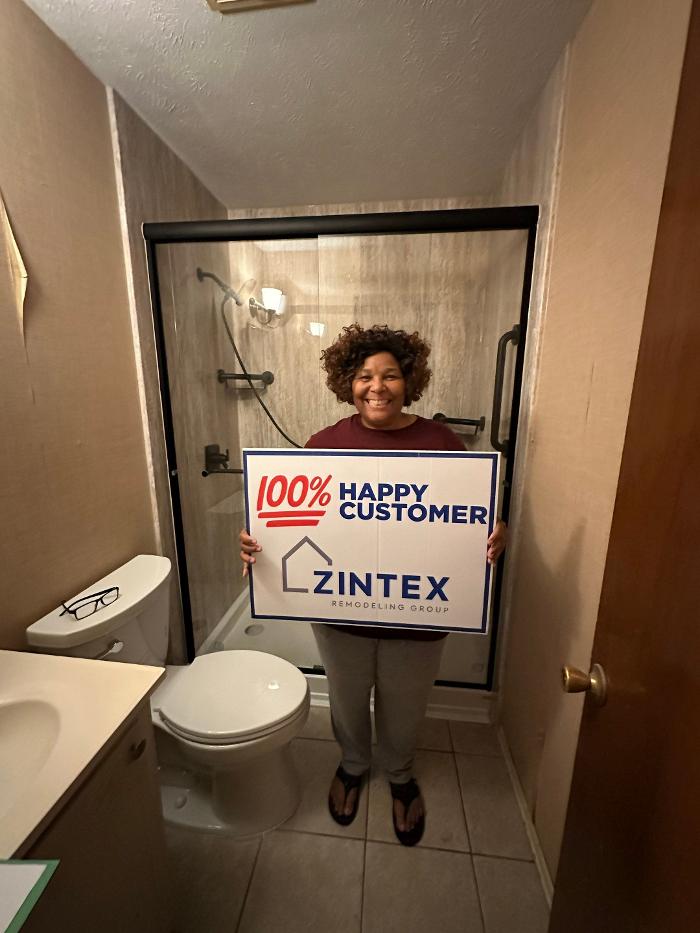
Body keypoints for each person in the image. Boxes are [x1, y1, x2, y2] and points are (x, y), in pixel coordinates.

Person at [240, 323, 507, 846]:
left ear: (409, 381)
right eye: (364, 376)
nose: (377, 387)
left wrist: (497, 530)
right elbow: (288, 521)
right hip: (341, 613)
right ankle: (353, 764)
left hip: (419, 616)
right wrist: (255, 540)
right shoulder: (324, 444)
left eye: (389, 375)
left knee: (405, 704)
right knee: (345, 697)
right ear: (348, 382)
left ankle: (400, 773)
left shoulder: (441, 442)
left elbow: (473, 514)